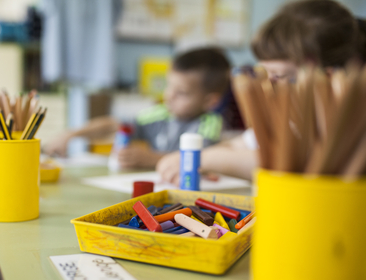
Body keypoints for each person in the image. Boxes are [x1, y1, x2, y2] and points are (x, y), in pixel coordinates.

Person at [157, 0, 366, 183]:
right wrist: (200, 157)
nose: (270, 85)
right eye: (266, 74)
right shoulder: (293, 109)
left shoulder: (342, 120)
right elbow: (243, 144)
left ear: (330, 75)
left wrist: (204, 158)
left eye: (282, 76)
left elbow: (282, 163)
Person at [44, 47, 237, 169]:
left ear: (210, 101)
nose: (169, 95)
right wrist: (71, 134)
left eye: (182, 93)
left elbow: (201, 159)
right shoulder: (161, 113)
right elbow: (114, 125)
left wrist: (152, 158)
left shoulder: (211, 123)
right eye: (168, 86)